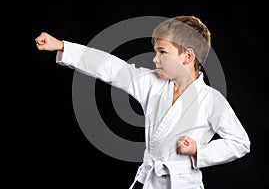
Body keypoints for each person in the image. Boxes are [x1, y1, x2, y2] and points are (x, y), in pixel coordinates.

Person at [35, 15, 250, 189]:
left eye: (162, 52)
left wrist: (198, 152)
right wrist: (63, 47)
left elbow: (240, 143)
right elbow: (110, 67)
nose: (155, 59)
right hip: (149, 180)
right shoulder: (152, 83)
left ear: (187, 56)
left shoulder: (210, 100)